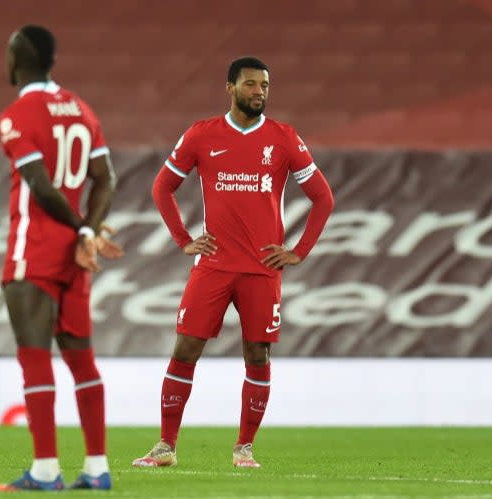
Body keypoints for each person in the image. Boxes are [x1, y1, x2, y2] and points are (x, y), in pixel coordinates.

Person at [132, 56, 334, 468]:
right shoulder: (202, 134)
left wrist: (299, 251)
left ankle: (244, 448)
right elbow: (162, 187)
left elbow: (323, 198)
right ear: (230, 87)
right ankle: (165, 446)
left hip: (261, 269)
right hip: (215, 265)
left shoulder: (283, 138)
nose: (259, 92)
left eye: (264, 86)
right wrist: (184, 239)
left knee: (257, 355)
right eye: (250, 85)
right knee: (185, 347)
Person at [0, 25, 123, 492]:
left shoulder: (16, 115)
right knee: (82, 360)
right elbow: (106, 178)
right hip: (77, 256)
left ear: (18, 59)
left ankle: (46, 471)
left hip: (37, 248)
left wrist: (78, 229)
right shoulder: (82, 110)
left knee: (35, 358)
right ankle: (96, 468)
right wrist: (87, 232)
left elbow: (41, 188)